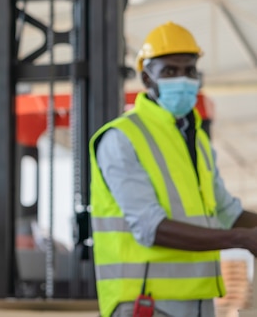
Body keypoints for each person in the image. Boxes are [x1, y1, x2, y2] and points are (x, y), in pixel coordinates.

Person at [89, 21, 257, 317]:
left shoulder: (197, 141)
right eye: (169, 71)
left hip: (200, 302)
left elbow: (227, 212)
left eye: (189, 71)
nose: (182, 79)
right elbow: (149, 227)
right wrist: (241, 240)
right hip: (146, 303)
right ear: (146, 78)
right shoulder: (122, 138)